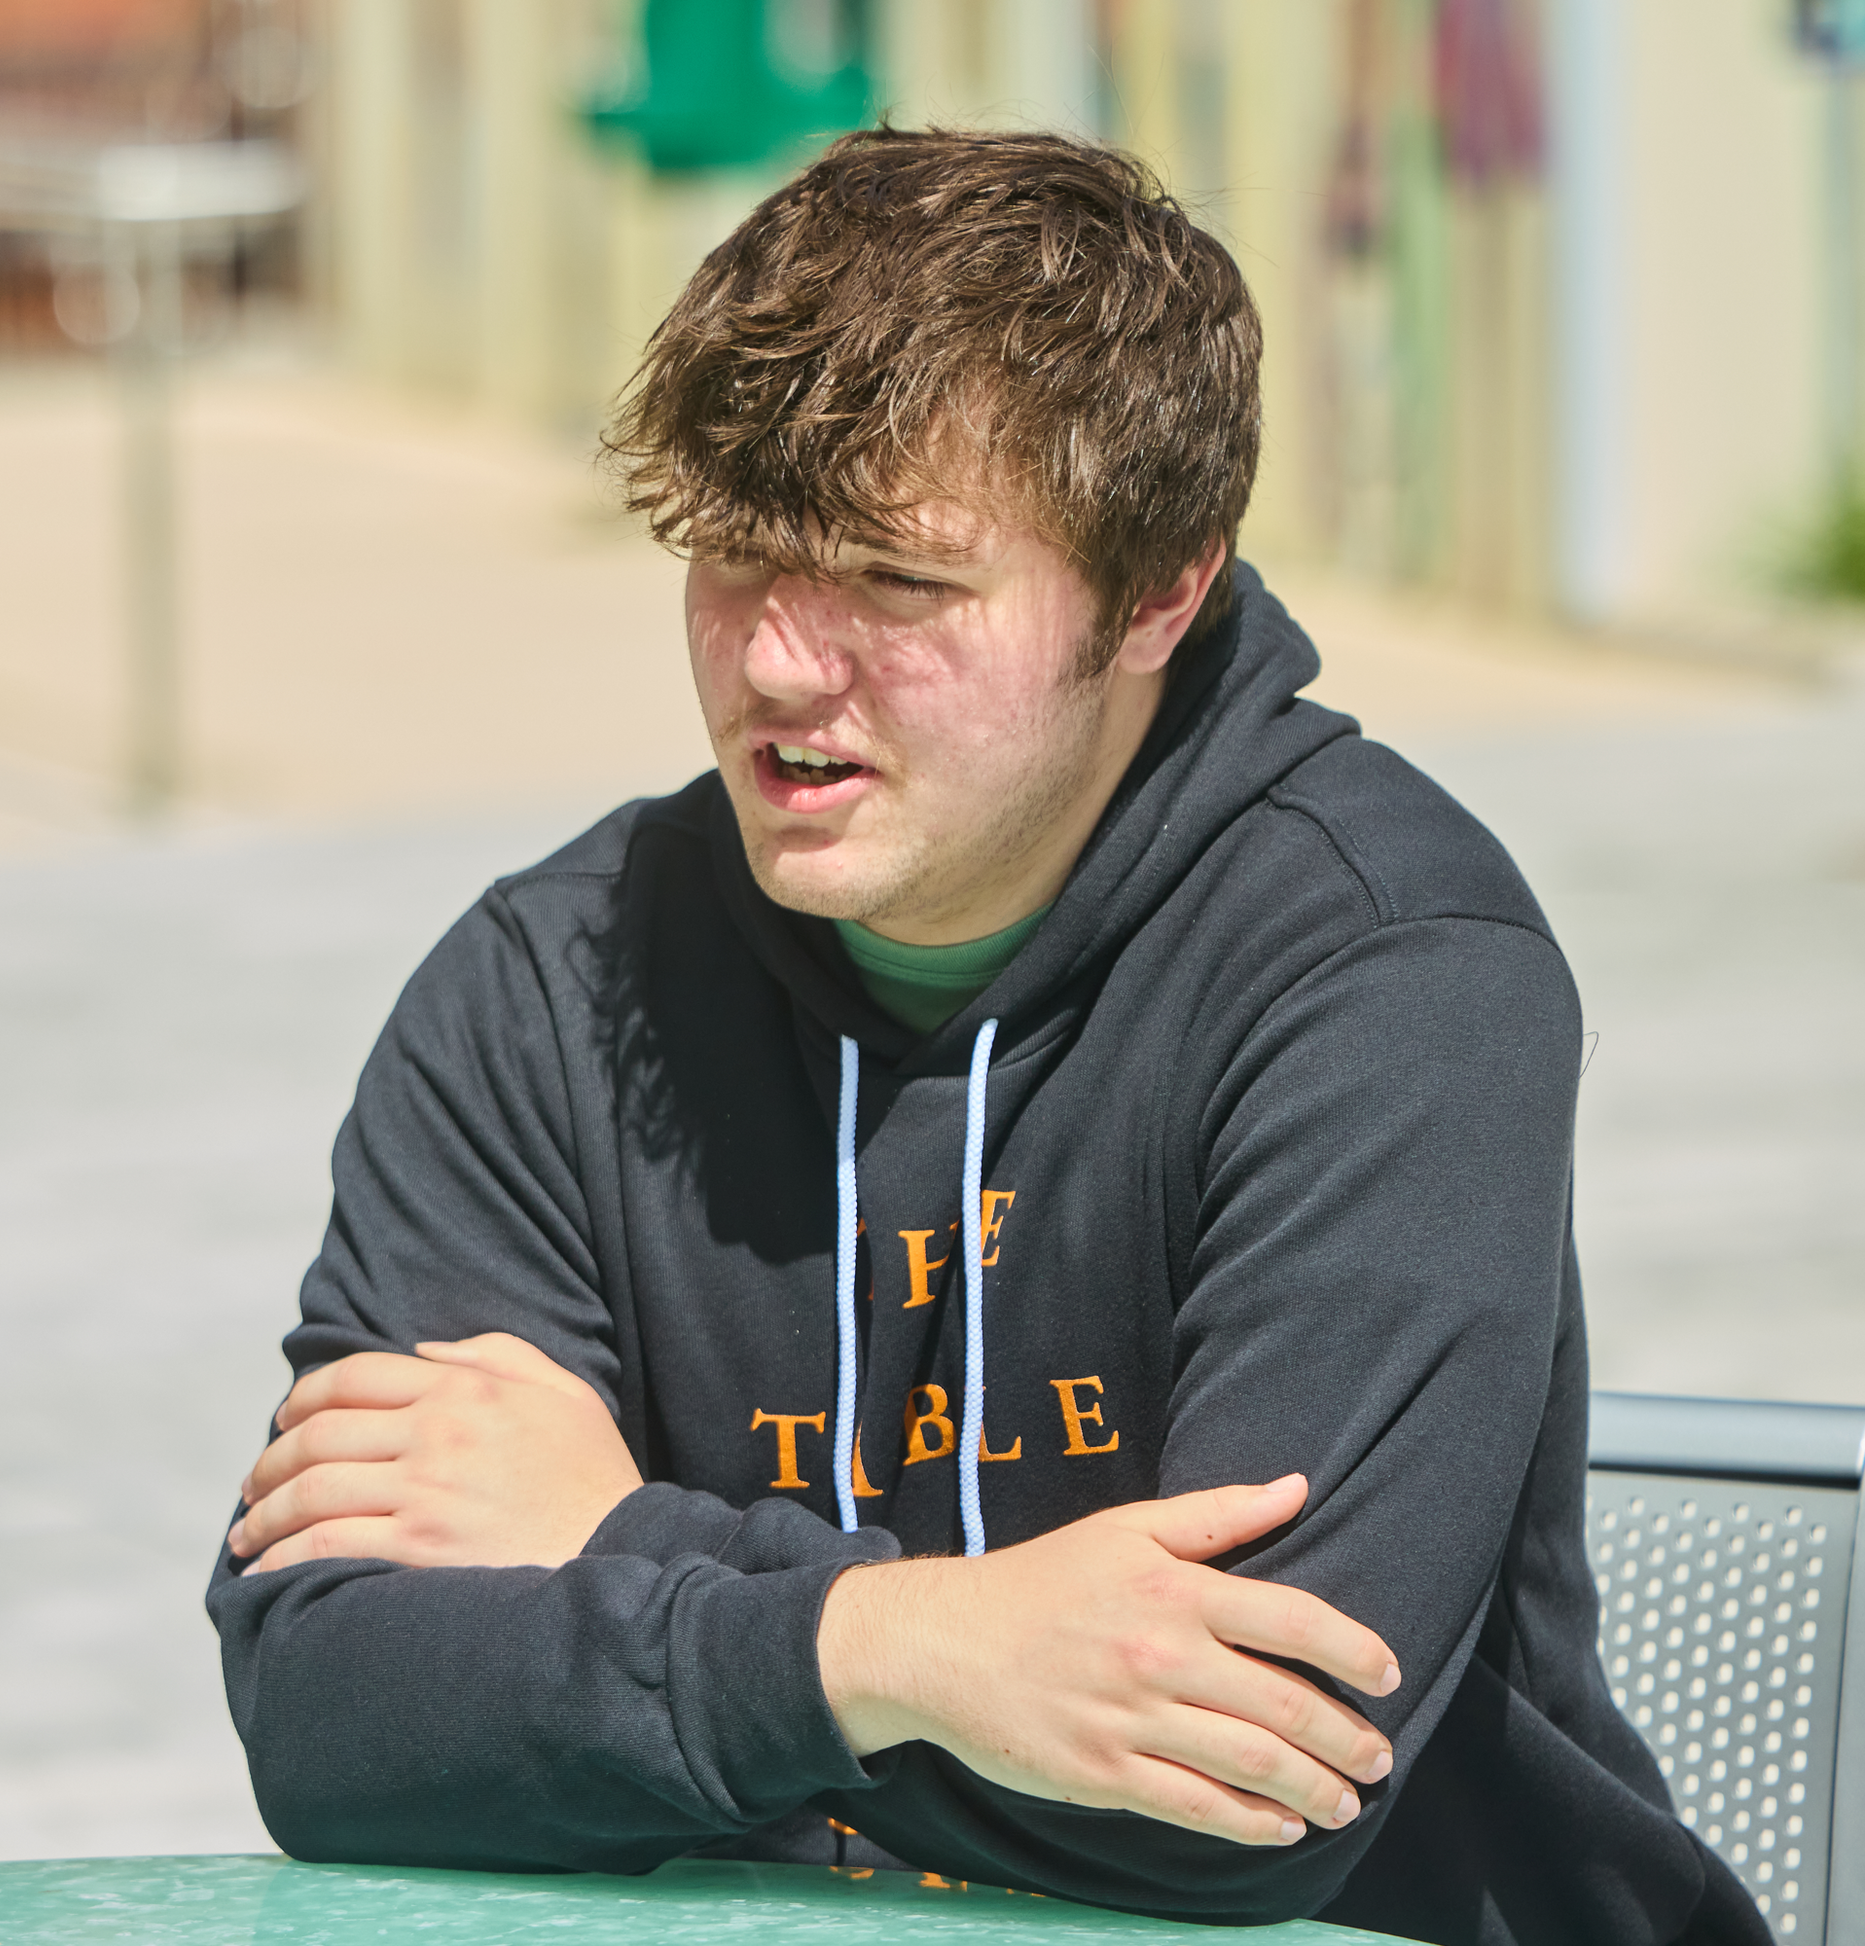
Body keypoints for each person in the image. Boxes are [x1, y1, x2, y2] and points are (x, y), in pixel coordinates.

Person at [208, 129, 1766, 1945]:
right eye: (735, 553)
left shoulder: (1389, 971)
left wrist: (617, 1551)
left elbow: (1251, 1790)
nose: (777, 663)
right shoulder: (551, 983)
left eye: (897, 582)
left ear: (1159, 589)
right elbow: (332, 1717)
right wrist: (925, 1652)